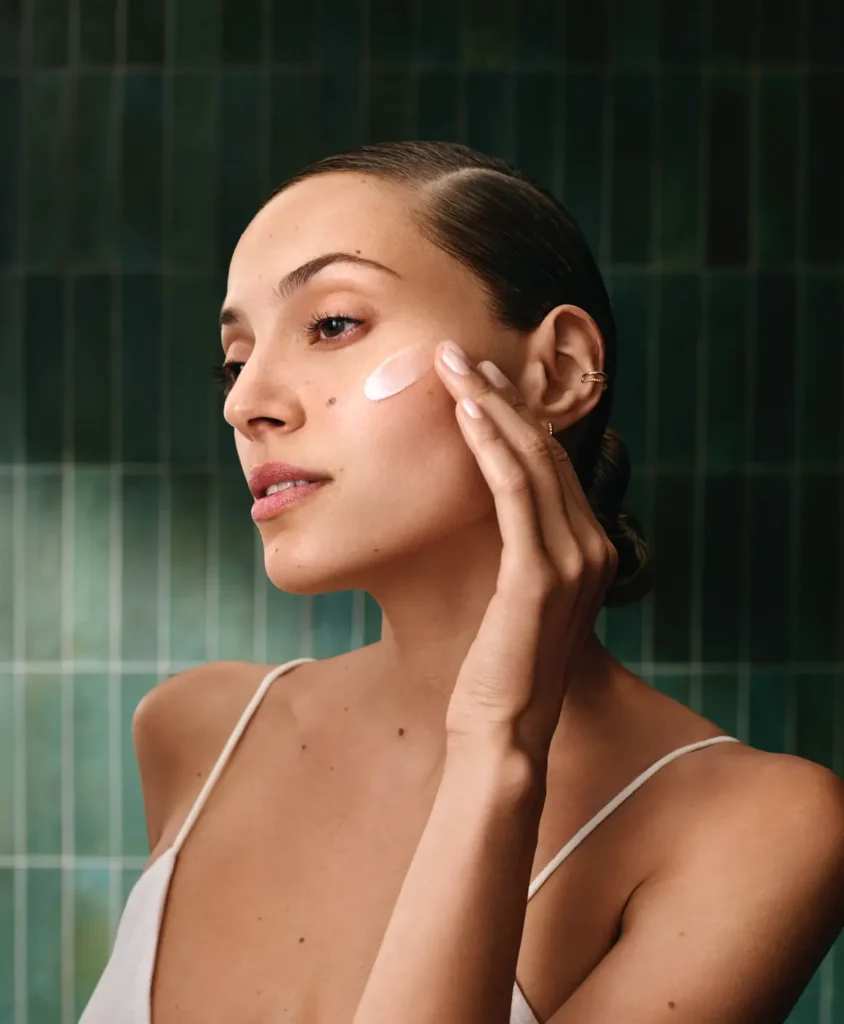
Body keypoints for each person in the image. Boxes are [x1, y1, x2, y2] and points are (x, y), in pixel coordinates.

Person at [79, 141, 844, 1024]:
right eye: (234, 358)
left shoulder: (758, 829)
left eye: (332, 325)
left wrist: (496, 751)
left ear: (554, 370)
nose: (244, 401)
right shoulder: (196, 735)